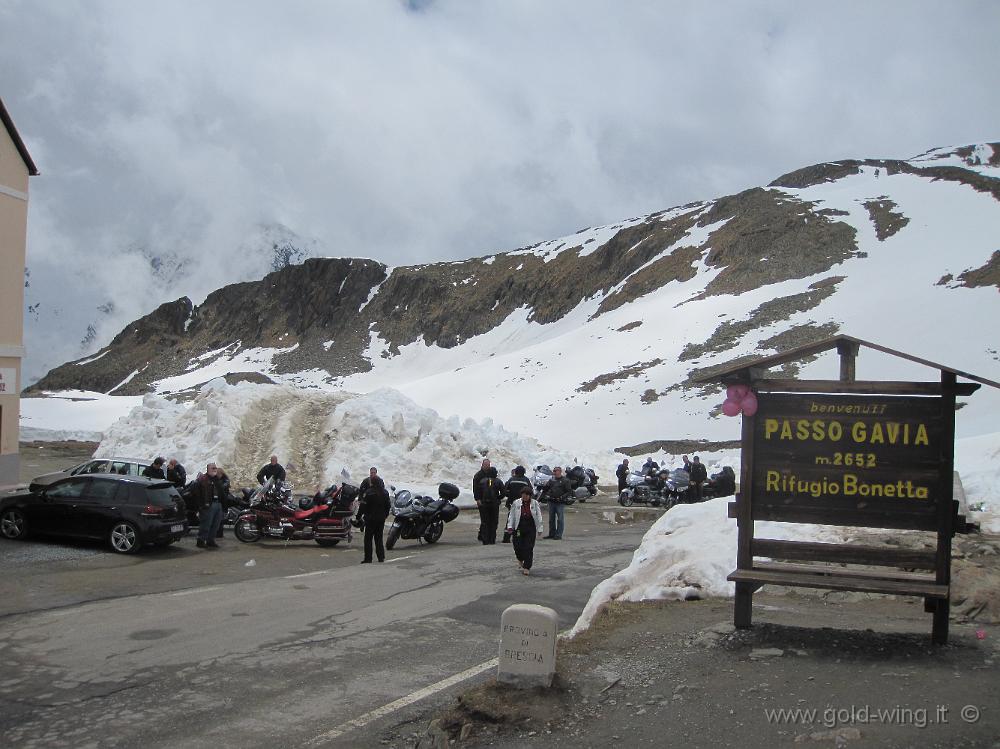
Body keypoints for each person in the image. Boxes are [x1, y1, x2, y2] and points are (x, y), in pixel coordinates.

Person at [506, 485, 543, 575]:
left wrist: (540, 528)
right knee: (517, 546)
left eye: (526, 495)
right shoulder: (516, 503)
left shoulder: (534, 503)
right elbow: (512, 515)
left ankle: (527, 567)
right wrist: (510, 526)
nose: (524, 497)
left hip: (530, 527)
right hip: (519, 528)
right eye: (523, 495)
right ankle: (519, 558)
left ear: (530, 495)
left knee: (529, 547)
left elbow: (539, 516)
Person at [357, 467, 390, 563]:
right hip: (381, 519)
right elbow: (388, 505)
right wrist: (385, 515)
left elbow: (363, 506)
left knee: (368, 539)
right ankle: (381, 557)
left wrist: (359, 517)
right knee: (379, 538)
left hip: (370, 519)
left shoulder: (369, 493)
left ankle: (368, 558)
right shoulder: (385, 493)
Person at [194, 462, 229, 548]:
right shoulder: (203, 479)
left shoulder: (217, 479)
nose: (214, 470)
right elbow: (197, 493)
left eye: (215, 468)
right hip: (208, 504)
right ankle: (201, 540)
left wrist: (224, 505)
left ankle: (210, 540)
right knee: (206, 524)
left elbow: (222, 492)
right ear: (208, 469)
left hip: (218, 503)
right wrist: (201, 505)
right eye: (212, 468)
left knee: (216, 524)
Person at [501, 467, 532, 543]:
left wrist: (509, 496)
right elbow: (530, 491)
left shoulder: (511, 480)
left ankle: (506, 538)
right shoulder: (526, 480)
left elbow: (505, 490)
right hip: (522, 503)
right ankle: (518, 536)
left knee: (510, 520)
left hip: (512, 503)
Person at [542, 466, 573, 540]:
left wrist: (562, 497)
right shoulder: (552, 480)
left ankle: (559, 534)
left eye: (556, 471)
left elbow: (569, 491)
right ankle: (552, 533)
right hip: (551, 501)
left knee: (560, 519)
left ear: (560, 471)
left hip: (560, 502)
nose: (554, 472)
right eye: (554, 471)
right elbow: (546, 489)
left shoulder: (565, 480)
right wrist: (546, 492)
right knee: (551, 519)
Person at [476, 466, 505, 545]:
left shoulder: (482, 481)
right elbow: (503, 492)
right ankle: (492, 539)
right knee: (493, 522)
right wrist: (498, 498)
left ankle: (485, 539)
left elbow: (478, 492)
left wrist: (480, 499)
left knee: (485, 522)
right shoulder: (498, 481)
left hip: (485, 504)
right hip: (494, 504)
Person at [472, 458, 493, 544]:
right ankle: (483, 535)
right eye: (486, 465)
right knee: (484, 519)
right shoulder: (478, 475)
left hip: (490, 500)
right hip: (482, 499)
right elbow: (475, 488)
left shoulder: (491, 474)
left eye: (488, 465)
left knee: (488, 519)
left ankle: (482, 534)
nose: (487, 467)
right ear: (482, 465)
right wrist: (477, 499)